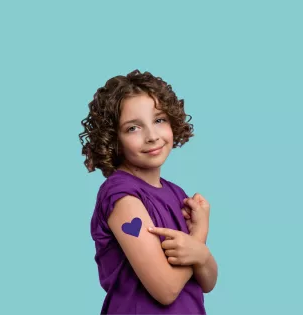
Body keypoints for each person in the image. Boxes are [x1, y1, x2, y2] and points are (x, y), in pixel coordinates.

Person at [79, 69, 218, 314]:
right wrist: (199, 237)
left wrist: (202, 255)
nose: (152, 136)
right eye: (133, 128)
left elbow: (207, 282)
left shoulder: (177, 194)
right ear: (113, 139)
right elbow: (165, 290)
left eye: (159, 120)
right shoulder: (121, 197)